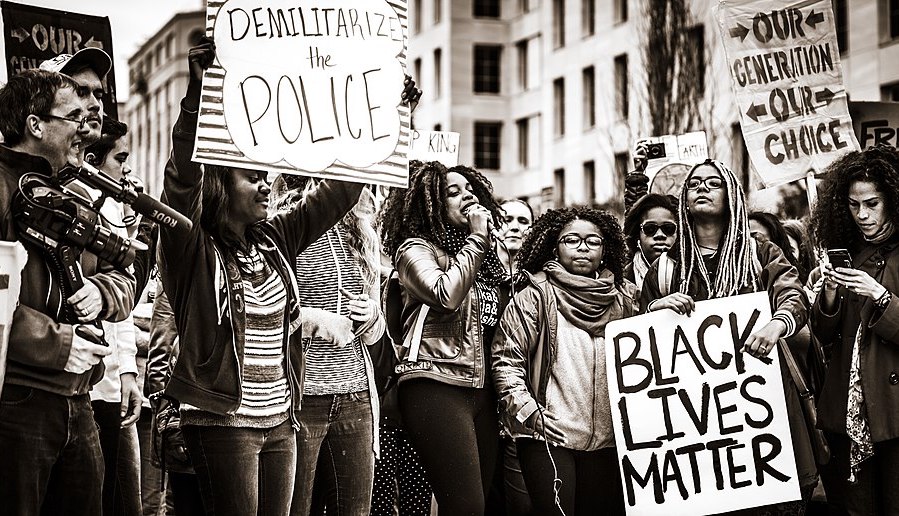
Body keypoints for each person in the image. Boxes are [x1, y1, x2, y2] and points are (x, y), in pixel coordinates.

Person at [157, 38, 364, 515]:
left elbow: (339, 193)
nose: (268, 184)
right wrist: (198, 97)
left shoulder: (274, 239)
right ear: (222, 186)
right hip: (222, 422)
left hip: (281, 422)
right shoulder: (192, 247)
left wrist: (384, 122)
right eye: (254, 178)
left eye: (267, 176)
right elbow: (181, 181)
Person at [640, 159, 817, 514]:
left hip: (763, 419)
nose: (701, 188)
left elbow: (793, 296)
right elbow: (638, 340)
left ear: (733, 194)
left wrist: (776, 324)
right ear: (684, 200)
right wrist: (654, 311)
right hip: (696, 433)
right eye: (694, 184)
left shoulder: (760, 254)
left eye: (713, 182)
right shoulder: (664, 268)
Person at [0, 70, 135, 514]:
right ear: (35, 125)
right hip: (17, 401)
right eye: (72, 116)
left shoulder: (76, 192)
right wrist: (58, 344)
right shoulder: (2, 188)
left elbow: (124, 273)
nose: (85, 128)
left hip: (80, 402)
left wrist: (102, 292)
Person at [378, 160, 507, 516]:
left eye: (470, 190)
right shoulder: (414, 250)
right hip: (436, 382)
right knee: (466, 506)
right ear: (431, 204)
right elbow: (444, 293)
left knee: (483, 504)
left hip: (483, 389)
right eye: (453, 192)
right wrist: (478, 238)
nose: (466, 197)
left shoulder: (484, 258)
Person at [492, 206, 636, 516]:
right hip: (548, 437)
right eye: (572, 240)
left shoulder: (625, 300)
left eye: (593, 241)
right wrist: (530, 413)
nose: (583, 247)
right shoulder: (534, 298)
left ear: (605, 248)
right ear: (555, 246)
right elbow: (506, 361)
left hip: (608, 444)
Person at [273, 175, 385, 516]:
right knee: (296, 509)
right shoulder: (284, 228)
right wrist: (314, 319)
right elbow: (264, 308)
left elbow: (377, 333)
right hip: (301, 396)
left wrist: (371, 315)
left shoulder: (361, 232)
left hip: (356, 396)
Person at [809, 145, 899, 515]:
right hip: (847, 415)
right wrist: (829, 295)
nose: (862, 214)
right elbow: (826, 336)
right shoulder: (848, 252)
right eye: (852, 204)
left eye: (872, 203)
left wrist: (880, 297)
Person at [83, 116, 144, 515]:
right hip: (86, 386)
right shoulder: (77, 206)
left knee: (127, 499)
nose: (127, 170)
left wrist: (127, 372)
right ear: (92, 160)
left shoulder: (115, 211)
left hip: (111, 384)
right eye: (120, 159)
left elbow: (122, 299)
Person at [622, 193, 678, 294]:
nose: (660, 235)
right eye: (650, 228)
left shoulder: (693, 276)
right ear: (637, 236)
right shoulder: (621, 282)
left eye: (668, 228)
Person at [497, 198, 535, 274]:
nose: (515, 227)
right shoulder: (476, 269)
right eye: (507, 220)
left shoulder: (540, 275)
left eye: (523, 222)